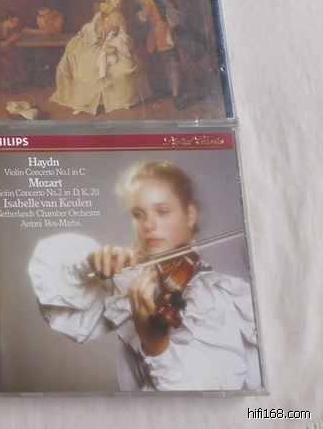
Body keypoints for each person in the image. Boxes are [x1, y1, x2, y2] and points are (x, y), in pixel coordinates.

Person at [28, 161, 262, 391]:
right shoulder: (133, 282)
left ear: (190, 215)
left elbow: (209, 395)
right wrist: (86, 266)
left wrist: (156, 346)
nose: (148, 225)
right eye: (138, 214)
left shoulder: (218, 297)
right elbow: (62, 311)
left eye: (162, 211)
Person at [50, 0, 150, 115]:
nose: (117, 2)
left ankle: (122, 100)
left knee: (124, 67)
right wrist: (97, 40)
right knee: (87, 68)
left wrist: (114, 44)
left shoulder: (120, 17)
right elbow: (90, 30)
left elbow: (123, 35)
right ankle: (83, 103)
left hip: (114, 47)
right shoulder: (100, 14)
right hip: (97, 46)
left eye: (119, 0)